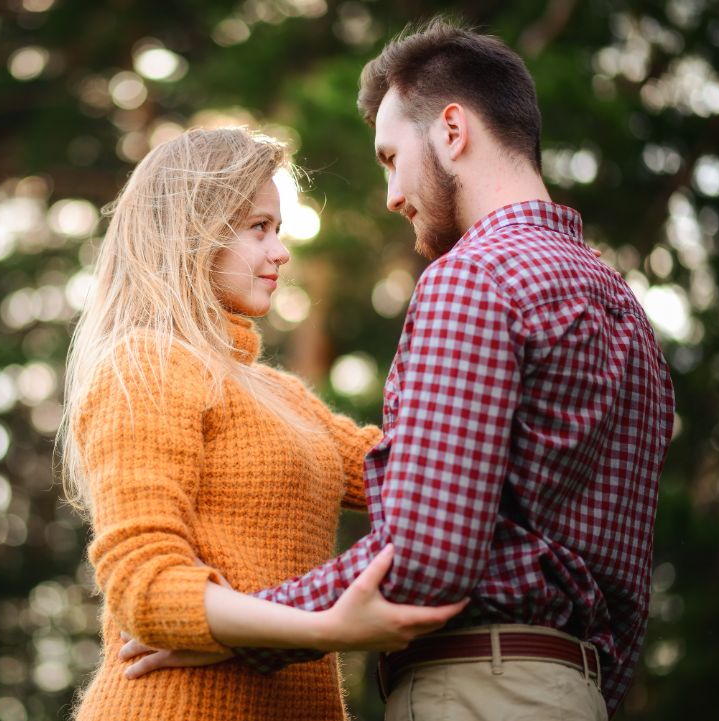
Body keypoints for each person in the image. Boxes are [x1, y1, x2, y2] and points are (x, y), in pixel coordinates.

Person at [125, 19, 675, 721]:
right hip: (576, 689)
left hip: (476, 690)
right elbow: (629, 580)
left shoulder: (472, 278)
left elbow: (423, 559)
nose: (391, 194)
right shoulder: (623, 308)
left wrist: (238, 629)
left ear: (452, 130)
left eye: (390, 157)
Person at [57, 126, 466, 721]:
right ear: (192, 233)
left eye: (280, 230)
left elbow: (404, 473)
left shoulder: (280, 395)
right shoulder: (148, 362)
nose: (280, 253)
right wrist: (323, 628)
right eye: (259, 228)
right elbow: (142, 583)